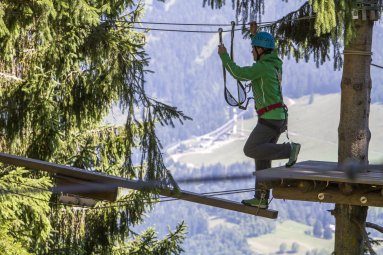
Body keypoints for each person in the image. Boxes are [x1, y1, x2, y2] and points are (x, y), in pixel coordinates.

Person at [217, 23, 300, 209]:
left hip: (270, 118)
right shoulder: (274, 61)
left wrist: (223, 55)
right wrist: (255, 34)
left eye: (253, 49)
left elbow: (237, 73)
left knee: (251, 149)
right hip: (276, 117)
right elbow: (271, 47)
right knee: (262, 156)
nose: (251, 53)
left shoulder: (262, 67)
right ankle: (261, 198)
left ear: (261, 50)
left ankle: (289, 150)